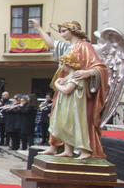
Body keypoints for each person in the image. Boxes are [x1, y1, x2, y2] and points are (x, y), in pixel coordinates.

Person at [29, 19, 110, 160]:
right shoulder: (67, 47)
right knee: (58, 117)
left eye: (64, 31)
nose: (62, 35)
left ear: (73, 30)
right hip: (64, 87)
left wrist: (88, 73)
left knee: (74, 120)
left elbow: (100, 68)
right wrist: (38, 27)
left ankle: (80, 149)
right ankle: (55, 146)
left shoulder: (84, 46)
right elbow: (50, 44)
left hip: (77, 90)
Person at [43, 52, 93, 159]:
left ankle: (84, 151)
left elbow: (67, 90)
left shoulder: (76, 75)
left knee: (74, 127)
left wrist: (57, 84)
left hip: (74, 106)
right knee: (66, 126)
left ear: (68, 63)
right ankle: (68, 150)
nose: (61, 67)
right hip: (67, 105)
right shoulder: (69, 76)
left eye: (62, 64)